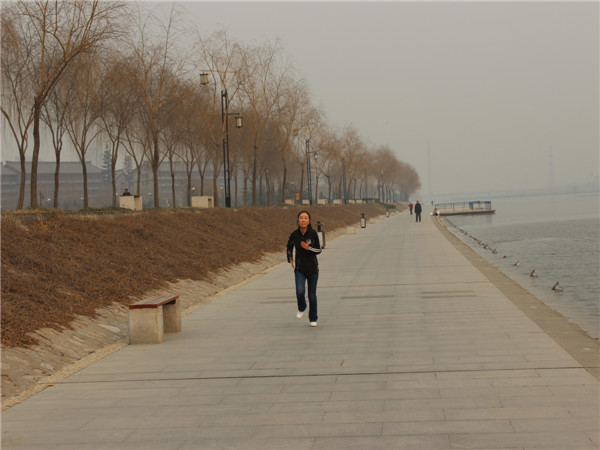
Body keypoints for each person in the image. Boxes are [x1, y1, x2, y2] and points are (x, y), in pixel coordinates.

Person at [287, 210, 322, 327]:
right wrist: (289, 257)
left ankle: (313, 318)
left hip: (313, 270)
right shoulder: (294, 235)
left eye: (305, 218)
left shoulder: (313, 234)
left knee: (312, 296)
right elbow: (289, 246)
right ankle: (302, 307)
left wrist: (309, 248)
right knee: (300, 291)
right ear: (298, 220)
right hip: (299, 269)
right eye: (301, 218)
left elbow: (319, 250)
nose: (303, 220)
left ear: (309, 221)